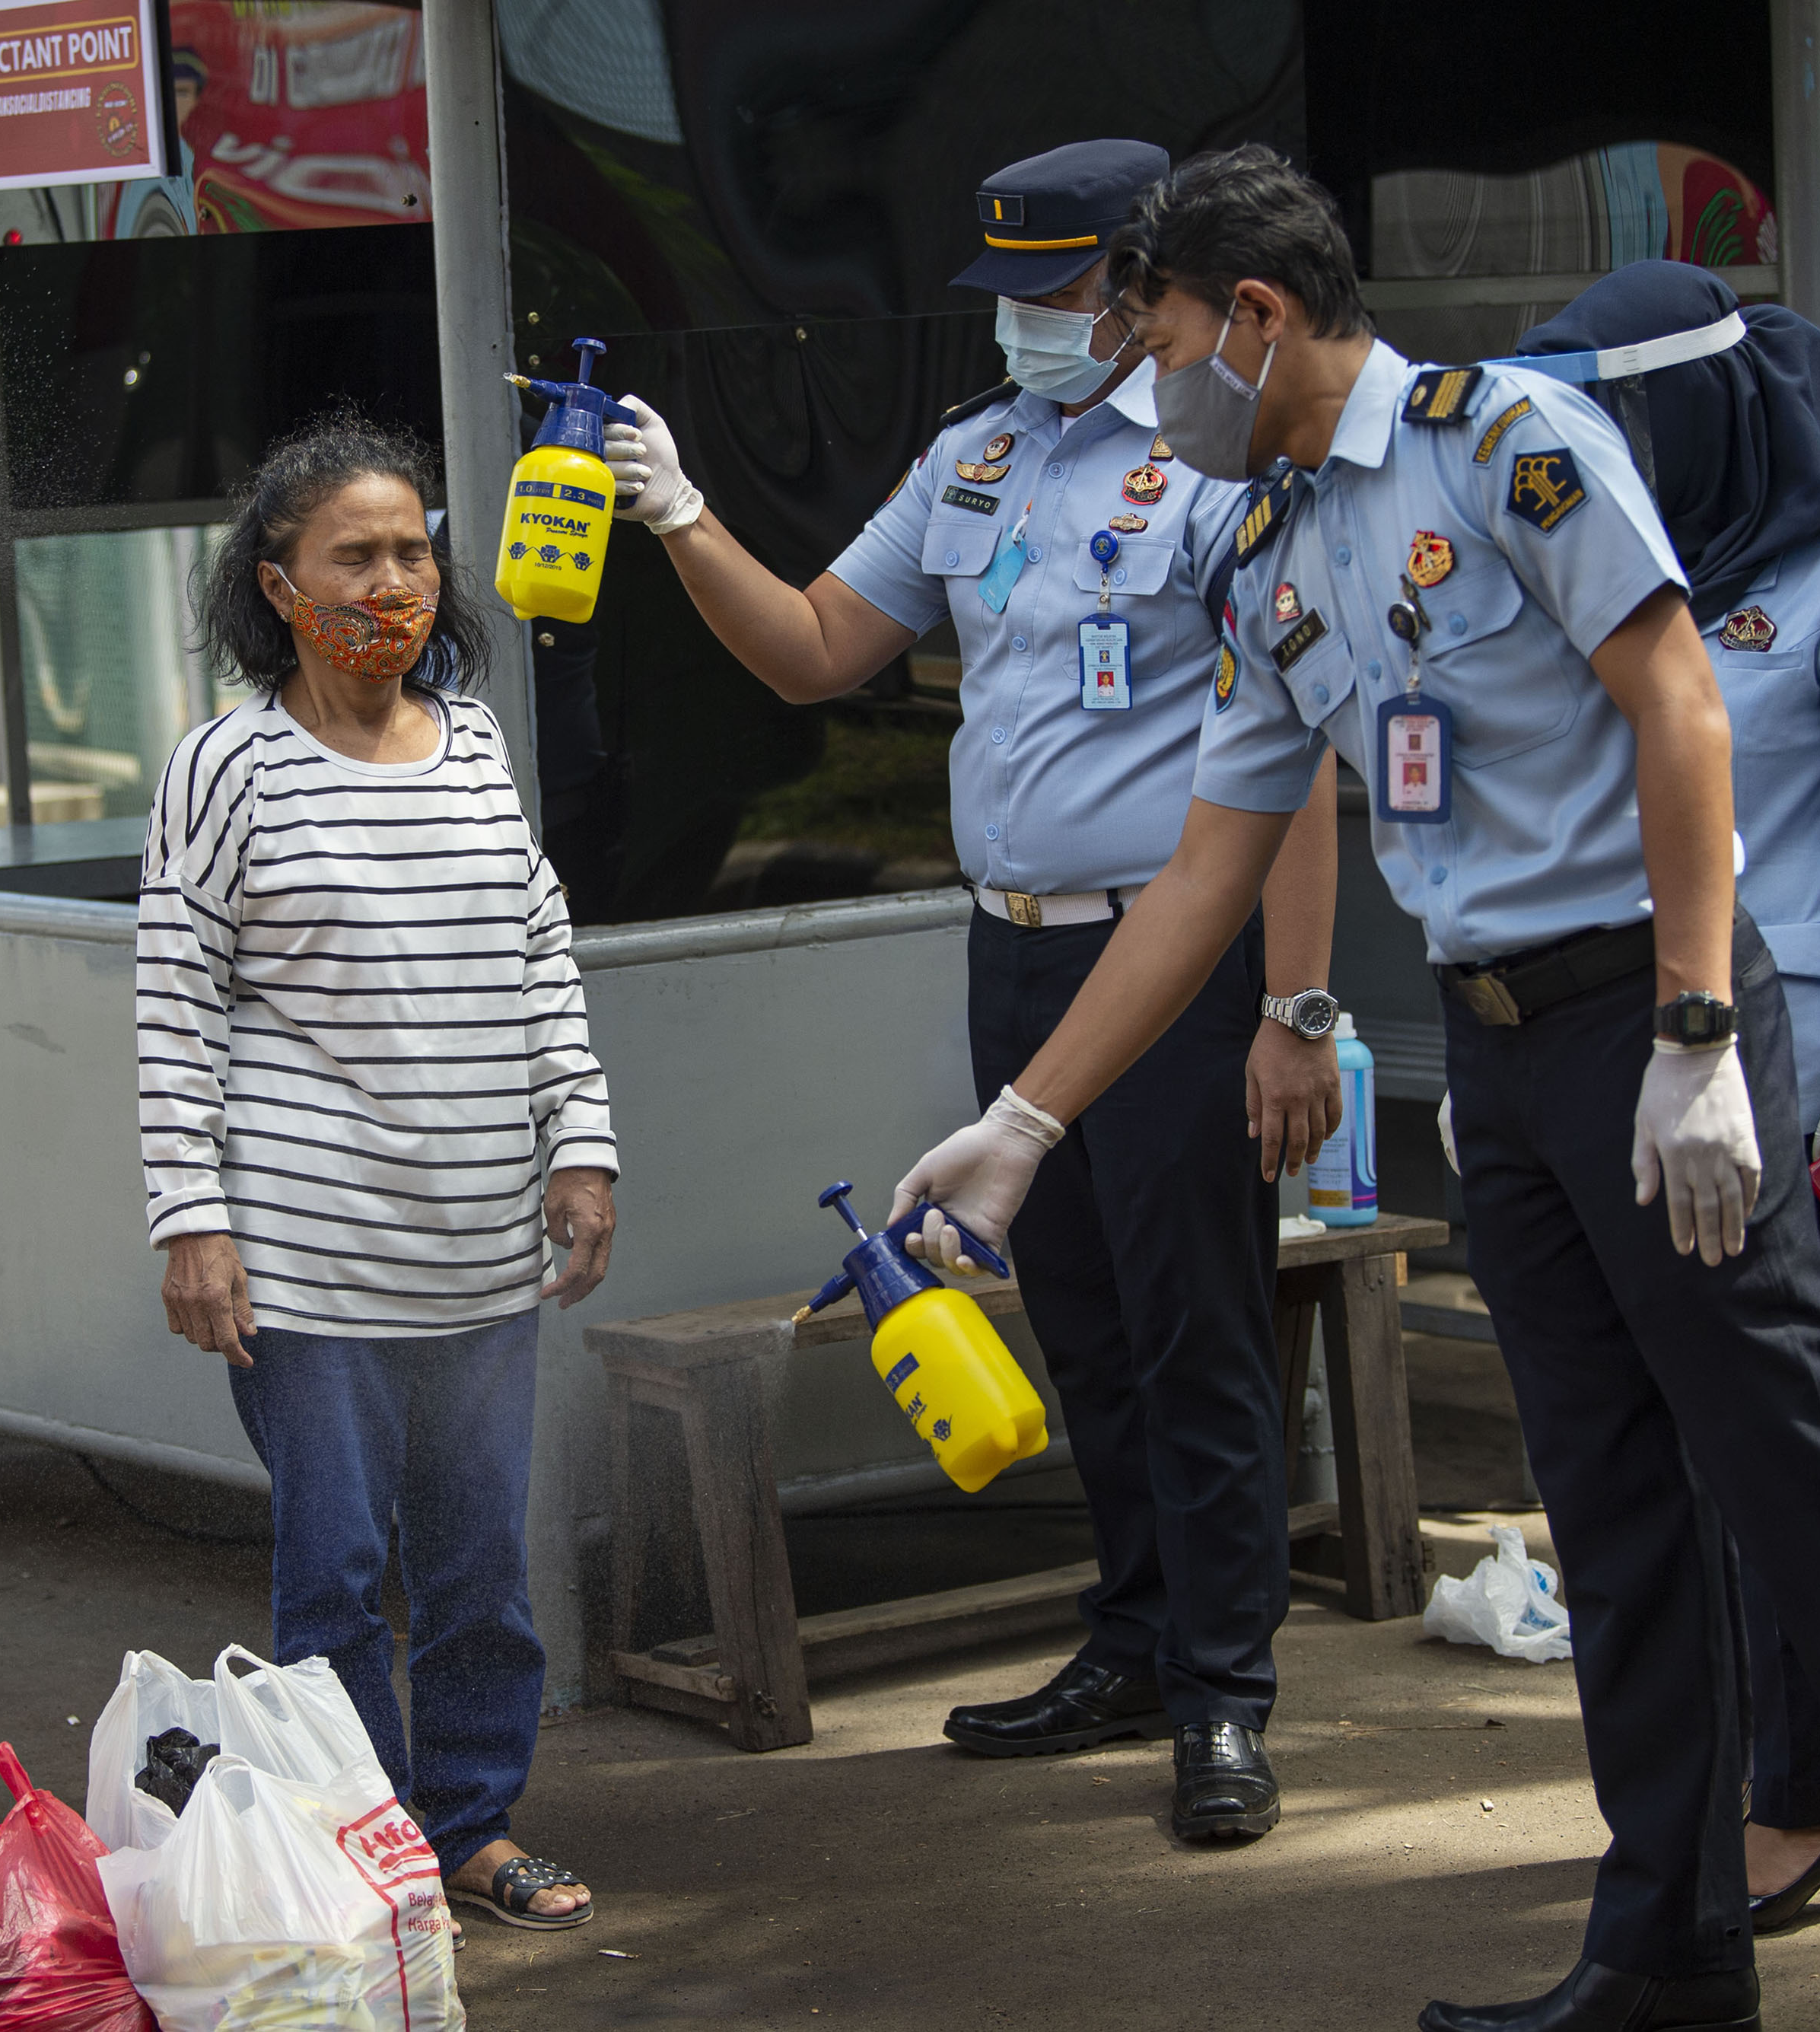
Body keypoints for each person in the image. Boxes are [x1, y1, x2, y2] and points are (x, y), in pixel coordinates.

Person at [889, 148, 1820, 2032]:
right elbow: (1211, 867)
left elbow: (1675, 700)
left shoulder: (1500, 442)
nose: (1143, 377)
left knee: (1799, 1488)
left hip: (1655, 1021)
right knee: (1608, 1512)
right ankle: (1665, 1950)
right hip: (1509, 1056)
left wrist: (1702, 1038)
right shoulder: (1272, 544)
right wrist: (1028, 1121)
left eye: (1159, 337)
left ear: (1258, 319)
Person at [598, 139, 1345, 1844]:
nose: (1026, 326)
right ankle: (1136, 1640)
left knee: (1198, 1333)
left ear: (1144, 289)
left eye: (1062, 294)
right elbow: (809, 649)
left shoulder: (1222, 458)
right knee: (1080, 1324)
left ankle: (1225, 1696)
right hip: (1008, 949)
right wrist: (678, 512)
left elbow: (1292, 765)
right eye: (1004, 297)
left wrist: (1295, 1010)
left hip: (1167, 956)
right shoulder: (975, 459)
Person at [1518, 262, 1820, 1938]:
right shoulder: (1665, 587)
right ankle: (1725, 1800)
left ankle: (1809, 1807)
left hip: (1813, 1091)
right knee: (1689, 1465)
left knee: (1799, 1473)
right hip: (1679, 1066)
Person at [138, 414, 617, 1931]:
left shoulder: (473, 742)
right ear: (278, 585)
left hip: (475, 1254)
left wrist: (582, 1142)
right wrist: (191, 1221)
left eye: (412, 550)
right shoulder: (226, 769)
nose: (393, 582)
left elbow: (538, 953)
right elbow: (171, 1003)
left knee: (477, 1572)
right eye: (356, 556)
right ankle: (358, 1851)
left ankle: (467, 1824)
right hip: (307, 1261)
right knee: (337, 1576)